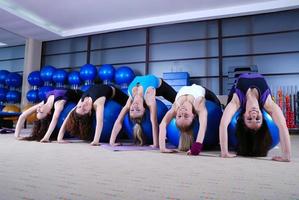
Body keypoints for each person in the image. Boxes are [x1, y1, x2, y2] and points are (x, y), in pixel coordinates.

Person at [219, 73, 291, 162]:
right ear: (262, 116)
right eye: (258, 119)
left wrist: (224, 152)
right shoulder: (269, 104)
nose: (254, 115)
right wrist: (286, 155)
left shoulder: (236, 101)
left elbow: (223, 124)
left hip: (239, 80)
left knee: (227, 106)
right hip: (257, 75)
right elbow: (282, 125)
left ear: (243, 116)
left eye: (249, 119)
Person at [109, 75, 177, 147]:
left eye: (132, 110)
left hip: (145, 82)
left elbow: (119, 121)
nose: (135, 106)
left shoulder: (129, 101)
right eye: (138, 110)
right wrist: (156, 144)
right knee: (178, 102)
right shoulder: (149, 98)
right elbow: (154, 122)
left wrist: (111, 141)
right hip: (162, 88)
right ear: (144, 108)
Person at [159, 84, 221, 155]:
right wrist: (196, 148)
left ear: (175, 116)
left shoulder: (175, 108)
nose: (182, 112)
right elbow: (203, 126)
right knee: (218, 104)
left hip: (188, 88)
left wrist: (162, 147)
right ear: (194, 115)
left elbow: (163, 124)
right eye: (186, 116)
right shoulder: (198, 105)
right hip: (209, 96)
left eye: (179, 116)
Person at [57, 84, 128, 145]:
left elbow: (68, 117)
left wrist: (59, 137)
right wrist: (95, 141)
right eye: (84, 109)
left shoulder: (81, 102)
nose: (83, 105)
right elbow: (99, 122)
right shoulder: (98, 103)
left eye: (79, 107)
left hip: (108, 86)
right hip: (117, 95)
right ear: (90, 112)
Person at [14, 89, 82, 141]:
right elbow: (55, 119)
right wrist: (46, 137)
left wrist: (17, 135)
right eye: (40, 112)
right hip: (81, 95)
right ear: (49, 112)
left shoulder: (43, 103)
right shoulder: (59, 104)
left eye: (37, 112)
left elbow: (23, 115)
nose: (38, 110)